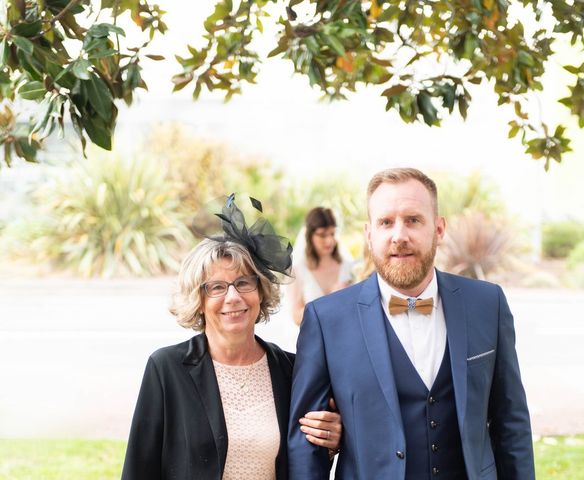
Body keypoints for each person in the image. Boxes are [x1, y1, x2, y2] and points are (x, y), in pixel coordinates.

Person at [288, 168, 535, 479]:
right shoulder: (326, 319)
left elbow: (511, 423)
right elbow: (307, 441)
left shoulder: (487, 304)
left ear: (439, 229)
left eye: (413, 220)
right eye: (386, 222)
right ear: (369, 234)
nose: (399, 236)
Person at [122, 194, 342, 480]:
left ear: (261, 291)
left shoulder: (293, 371)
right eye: (216, 287)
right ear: (197, 299)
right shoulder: (167, 368)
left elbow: (306, 457)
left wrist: (333, 439)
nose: (233, 297)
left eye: (243, 283)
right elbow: (139, 469)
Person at [289, 207, 353, 326]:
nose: (329, 240)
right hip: (315, 338)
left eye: (332, 234)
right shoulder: (298, 269)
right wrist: (330, 301)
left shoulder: (347, 265)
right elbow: (296, 317)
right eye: (322, 235)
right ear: (310, 236)